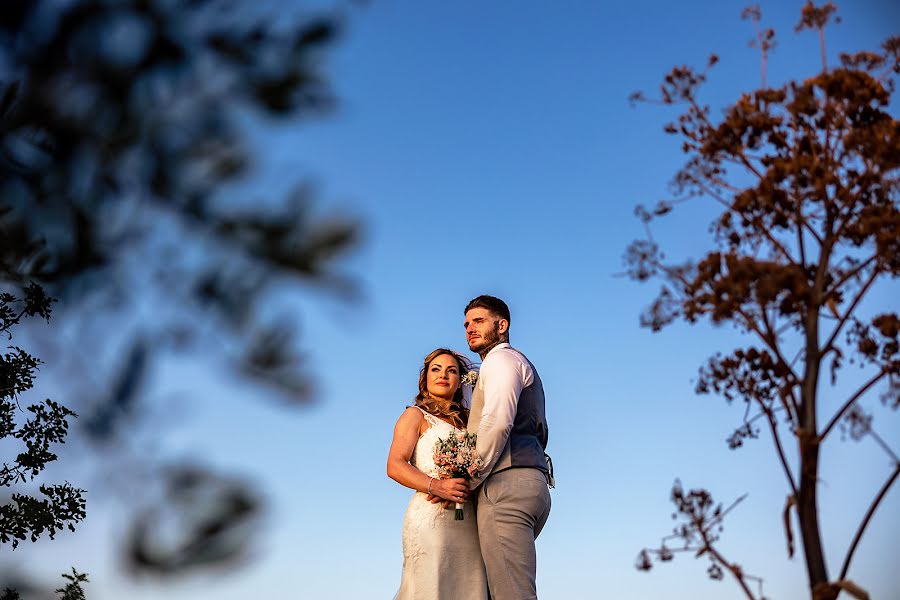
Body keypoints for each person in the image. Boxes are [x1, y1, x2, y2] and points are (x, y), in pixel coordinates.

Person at [463, 295, 552, 600]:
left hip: (506, 485)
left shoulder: (501, 360)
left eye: (479, 321)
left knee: (512, 594)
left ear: (502, 325)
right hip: (531, 481)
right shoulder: (516, 362)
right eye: (466, 324)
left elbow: (498, 422)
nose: (470, 329)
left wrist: (472, 477)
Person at [387, 348, 489, 600]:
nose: (443, 375)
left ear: (460, 381)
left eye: (451, 370)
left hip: (469, 519)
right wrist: (436, 486)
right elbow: (395, 465)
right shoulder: (415, 416)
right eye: (436, 369)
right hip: (431, 517)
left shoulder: (472, 423)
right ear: (425, 378)